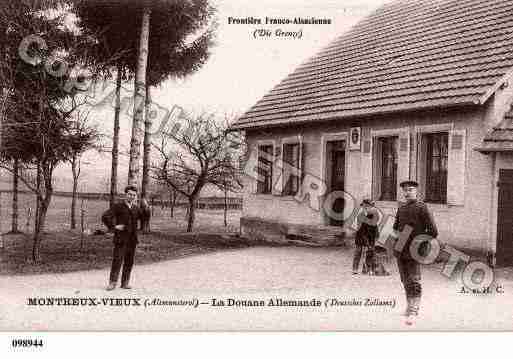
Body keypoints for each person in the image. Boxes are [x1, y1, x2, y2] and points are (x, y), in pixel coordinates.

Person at [393, 180, 438, 326]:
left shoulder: (422, 208)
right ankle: (409, 306)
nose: (407, 193)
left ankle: (414, 311)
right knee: (405, 280)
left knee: (414, 280)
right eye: (405, 190)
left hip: (414, 250)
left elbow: (433, 231)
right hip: (401, 249)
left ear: (416, 191)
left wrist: (419, 244)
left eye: (410, 190)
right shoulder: (401, 208)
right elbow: (395, 228)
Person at [101, 185, 141, 291]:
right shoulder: (118, 206)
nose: (132, 196)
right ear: (125, 195)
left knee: (129, 261)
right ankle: (112, 283)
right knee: (117, 260)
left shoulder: (136, 208)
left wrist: (147, 209)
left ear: (136, 196)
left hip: (132, 240)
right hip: (121, 239)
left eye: (134, 195)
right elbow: (105, 216)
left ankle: (125, 282)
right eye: (130, 194)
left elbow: (144, 218)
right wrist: (114, 227)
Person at [352, 199, 379, 275]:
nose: (367, 208)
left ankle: (367, 269)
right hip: (361, 235)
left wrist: (376, 235)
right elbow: (360, 229)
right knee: (358, 252)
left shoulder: (373, 215)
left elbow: (375, 226)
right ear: (363, 207)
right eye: (365, 207)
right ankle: (355, 268)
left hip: (370, 236)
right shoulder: (360, 216)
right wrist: (366, 240)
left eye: (369, 207)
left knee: (370, 252)